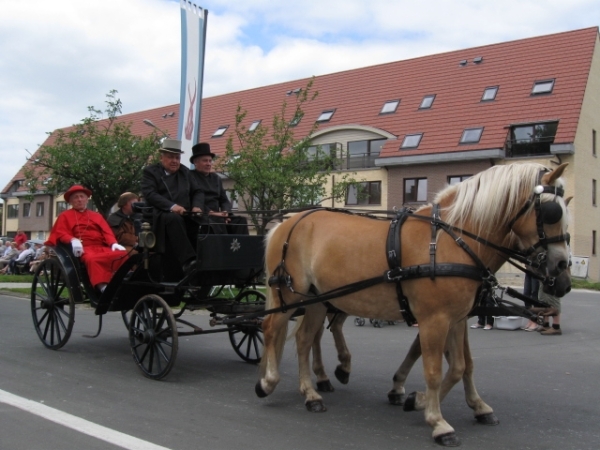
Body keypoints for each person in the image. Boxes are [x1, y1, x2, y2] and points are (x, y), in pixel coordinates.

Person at [45, 185, 127, 292]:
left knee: (123, 255)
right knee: (93, 259)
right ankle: (102, 286)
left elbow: (107, 232)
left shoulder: (96, 216)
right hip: (83, 248)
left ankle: (122, 282)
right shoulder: (65, 216)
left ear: (87, 199)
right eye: (76, 197)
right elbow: (61, 232)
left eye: (82, 197)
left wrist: (113, 243)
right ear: (70, 201)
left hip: (101, 247)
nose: (79, 200)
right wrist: (73, 240)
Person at [141, 139, 204, 272]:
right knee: (174, 219)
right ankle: (188, 261)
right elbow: (150, 194)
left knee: (206, 223)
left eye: (177, 157)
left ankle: (206, 260)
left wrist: (196, 206)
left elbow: (197, 191)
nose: (175, 161)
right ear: (161, 157)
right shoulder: (150, 172)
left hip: (185, 214)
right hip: (159, 215)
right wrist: (172, 206)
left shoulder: (185, 172)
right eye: (170, 157)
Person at [189, 142, 248, 235]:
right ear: (196, 162)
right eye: (205, 161)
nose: (208, 164)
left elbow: (224, 200)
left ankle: (242, 248)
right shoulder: (190, 177)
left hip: (219, 215)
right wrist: (211, 213)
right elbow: (192, 200)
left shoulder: (216, 178)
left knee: (240, 221)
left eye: (210, 161)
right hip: (203, 215)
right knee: (215, 223)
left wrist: (225, 212)